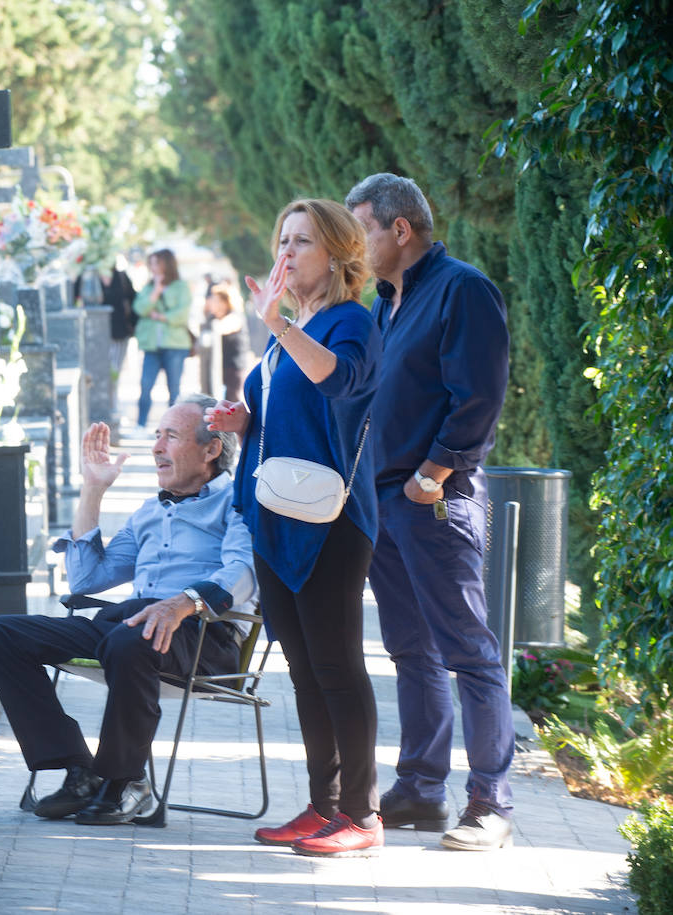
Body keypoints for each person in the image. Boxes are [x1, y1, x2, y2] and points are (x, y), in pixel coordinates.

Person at [0, 396, 255, 826]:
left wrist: (183, 602)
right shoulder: (149, 512)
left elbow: (242, 572)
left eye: (171, 436)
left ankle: (125, 782)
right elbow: (87, 581)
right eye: (157, 435)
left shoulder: (239, 502)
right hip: (132, 625)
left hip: (203, 632)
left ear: (211, 449)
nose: (157, 446)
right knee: (0, 635)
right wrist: (94, 488)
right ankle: (80, 770)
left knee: (131, 638)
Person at [205, 198, 383, 857]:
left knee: (338, 665)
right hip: (277, 515)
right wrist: (242, 425)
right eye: (282, 239)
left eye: (301, 242)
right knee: (306, 669)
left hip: (332, 522)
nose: (285, 253)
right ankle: (323, 804)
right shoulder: (293, 328)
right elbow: (294, 416)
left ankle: (362, 815)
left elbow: (339, 383)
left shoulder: (350, 322)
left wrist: (277, 322)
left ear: (337, 255)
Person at [345, 173, 514, 851]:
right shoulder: (387, 301)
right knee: (409, 649)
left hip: (435, 500)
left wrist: (430, 476)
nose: (356, 244)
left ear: (399, 229)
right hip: (384, 503)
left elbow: (477, 394)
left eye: (362, 229)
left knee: (467, 649)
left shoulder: (462, 289)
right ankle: (419, 787)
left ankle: (491, 802)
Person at [132, 249, 192, 428]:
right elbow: (140, 309)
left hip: (175, 344)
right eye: (151, 263)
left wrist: (161, 317)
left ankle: (173, 428)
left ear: (167, 264)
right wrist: (156, 292)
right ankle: (141, 424)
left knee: (174, 388)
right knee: (145, 385)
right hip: (151, 345)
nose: (153, 267)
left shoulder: (181, 286)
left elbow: (182, 313)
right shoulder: (148, 287)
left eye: (157, 263)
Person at [74, 258, 139, 417]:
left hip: (118, 335)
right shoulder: (86, 276)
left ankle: (111, 408)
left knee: (113, 374)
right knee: (94, 374)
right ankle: (94, 410)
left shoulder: (121, 277)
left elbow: (133, 302)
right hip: (92, 337)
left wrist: (132, 329)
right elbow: (74, 299)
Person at [201, 280, 257, 403]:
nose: (212, 303)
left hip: (234, 367)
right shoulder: (211, 318)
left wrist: (216, 327)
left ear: (225, 302)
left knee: (232, 400)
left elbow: (226, 326)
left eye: (215, 300)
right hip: (217, 367)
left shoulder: (235, 316)